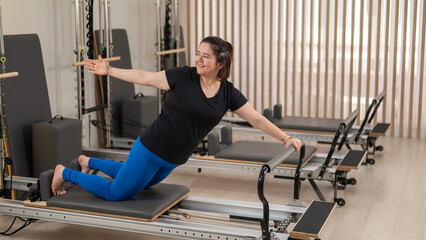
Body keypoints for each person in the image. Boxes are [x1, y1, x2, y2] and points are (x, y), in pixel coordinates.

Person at [51, 36, 302, 201]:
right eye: (197, 53)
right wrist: (110, 70)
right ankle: (65, 173)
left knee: (142, 182)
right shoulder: (182, 76)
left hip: (174, 159)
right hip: (152, 147)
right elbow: (145, 77)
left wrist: (285, 137)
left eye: (206, 56)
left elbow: (256, 119)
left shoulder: (228, 93)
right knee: (116, 193)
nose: (198, 59)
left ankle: (87, 160)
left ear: (221, 64)